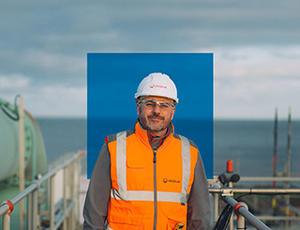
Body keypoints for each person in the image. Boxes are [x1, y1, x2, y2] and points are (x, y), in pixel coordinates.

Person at [83, 72, 210, 230]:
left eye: (164, 105)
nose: (156, 110)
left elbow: (200, 217)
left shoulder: (190, 152)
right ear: (138, 108)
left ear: (173, 111)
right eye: (149, 104)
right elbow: (93, 214)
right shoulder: (113, 147)